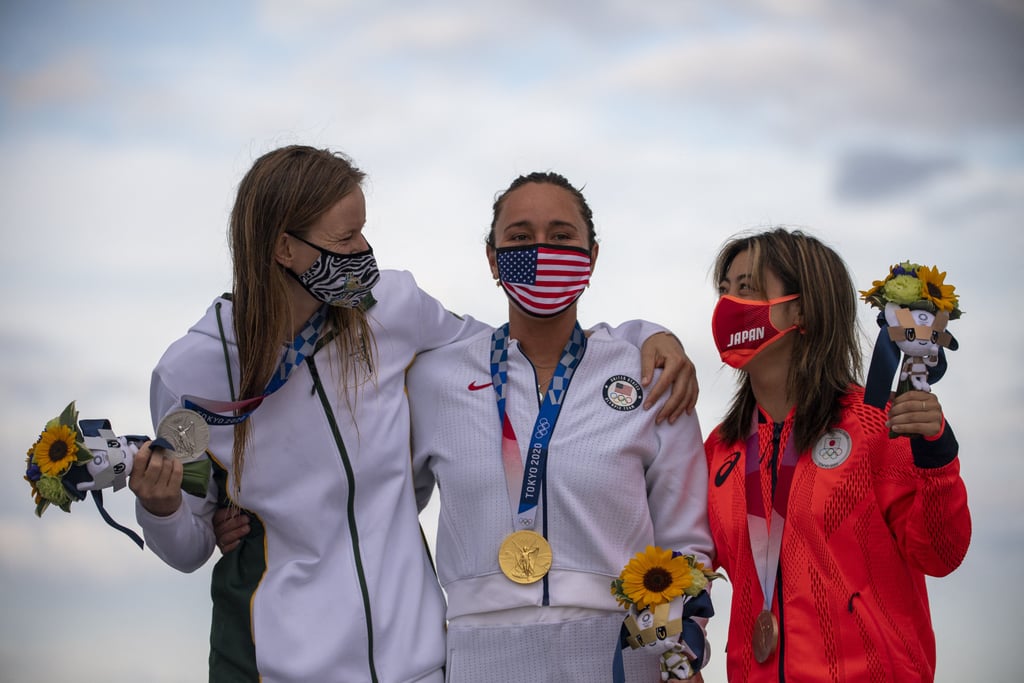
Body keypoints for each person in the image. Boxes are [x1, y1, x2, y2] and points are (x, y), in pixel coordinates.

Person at [128, 145, 697, 682]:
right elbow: (190, 544)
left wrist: (644, 336)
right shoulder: (193, 375)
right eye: (347, 237)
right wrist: (160, 507)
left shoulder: (391, 309)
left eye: (364, 230)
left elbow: (514, 347)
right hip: (273, 663)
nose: (364, 252)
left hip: (418, 662)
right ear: (285, 249)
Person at [405, 172, 714, 682]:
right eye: (521, 238)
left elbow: (685, 541)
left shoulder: (648, 373)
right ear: (491, 258)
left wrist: (672, 657)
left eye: (562, 237)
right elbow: (384, 514)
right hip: (480, 655)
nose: (542, 251)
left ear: (592, 256)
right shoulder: (437, 379)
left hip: (622, 651)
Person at [704, 227, 971, 682]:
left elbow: (940, 553)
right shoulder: (719, 449)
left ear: (802, 308)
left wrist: (937, 455)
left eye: (746, 289)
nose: (727, 305)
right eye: (724, 290)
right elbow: (683, 571)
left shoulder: (875, 423)